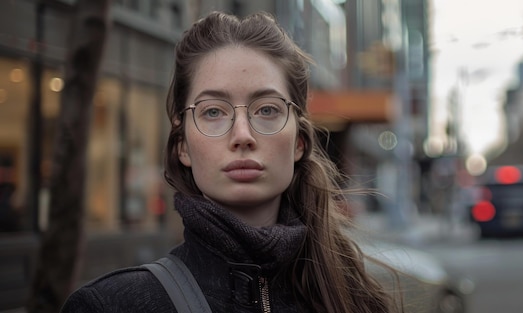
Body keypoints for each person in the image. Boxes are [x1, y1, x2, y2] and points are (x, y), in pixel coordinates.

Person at [62, 11, 402, 312]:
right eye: (213, 111)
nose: (242, 134)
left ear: (298, 142)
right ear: (182, 145)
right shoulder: (110, 305)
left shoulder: (353, 297)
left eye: (267, 110)